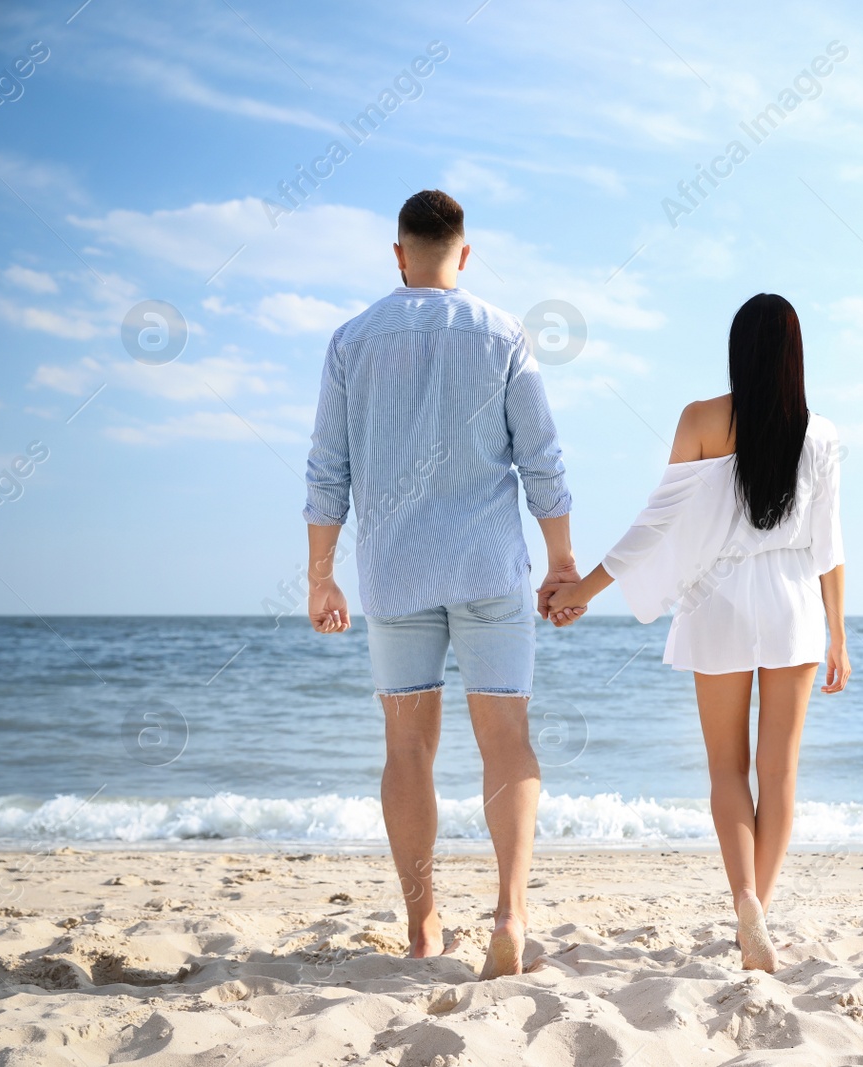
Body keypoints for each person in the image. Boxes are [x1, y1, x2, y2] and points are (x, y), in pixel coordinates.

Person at [301, 189, 578, 979]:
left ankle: (424, 925)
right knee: (508, 744)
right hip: (490, 564)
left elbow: (328, 471)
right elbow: (542, 460)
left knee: (408, 750)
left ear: (399, 254)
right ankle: (510, 915)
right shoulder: (503, 333)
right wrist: (561, 562)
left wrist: (322, 578)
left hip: (395, 571)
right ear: (464, 253)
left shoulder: (351, 340)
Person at [548, 293, 850, 972]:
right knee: (780, 772)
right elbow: (829, 547)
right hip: (794, 603)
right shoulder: (822, 434)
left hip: (718, 602)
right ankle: (757, 919)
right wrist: (839, 636)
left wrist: (584, 591)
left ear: (737, 349)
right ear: (795, 354)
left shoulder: (702, 419)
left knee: (726, 768)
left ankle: (746, 901)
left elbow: (655, 524)